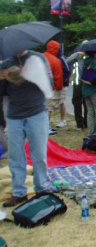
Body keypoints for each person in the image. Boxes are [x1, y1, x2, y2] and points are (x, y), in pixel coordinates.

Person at [0, 50, 54, 207]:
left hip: (36, 113)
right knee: (15, 156)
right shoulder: (7, 63)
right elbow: (2, 92)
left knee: (39, 154)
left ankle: (42, 187)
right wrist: (2, 78)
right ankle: (19, 192)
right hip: (14, 115)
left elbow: (50, 84)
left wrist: (30, 73)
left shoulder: (37, 58)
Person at [43, 40, 65, 135]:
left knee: (42, 108)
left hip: (40, 87)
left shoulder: (41, 56)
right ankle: (46, 127)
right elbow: (58, 76)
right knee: (49, 108)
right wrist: (59, 87)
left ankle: (44, 126)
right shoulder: (55, 61)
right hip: (51, 88)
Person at [66, 50, 88, 130]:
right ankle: (79, 123)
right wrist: (76, 54)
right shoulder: (77, 56)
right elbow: (67, 61)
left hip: (87, 82)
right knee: (76, 102)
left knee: (87, 103)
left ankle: (86, 122)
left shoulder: (90, 56)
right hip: (77, 82)